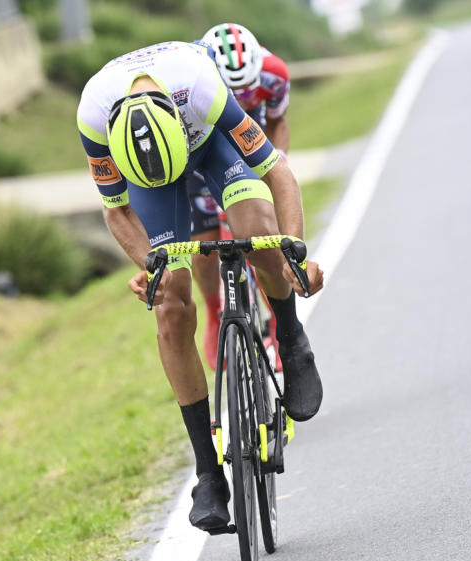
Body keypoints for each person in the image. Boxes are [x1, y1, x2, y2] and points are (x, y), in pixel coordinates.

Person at [76, 40, 324, 531]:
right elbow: (117, 210)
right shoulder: (94, 116)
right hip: (153, 179)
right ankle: (208, 473)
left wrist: (295, 251)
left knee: (259, 234)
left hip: (212, 145)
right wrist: (151, 267)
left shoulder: (202, 88)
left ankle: (292, 339)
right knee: (170, 305)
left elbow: (277, 170)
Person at [189, 23, 293, 372]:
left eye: (248, 87)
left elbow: (278, 121)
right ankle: (213, 311)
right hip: (202, 148)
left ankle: (279, 321)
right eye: (233, 90)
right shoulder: (192, 76)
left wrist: (276, 166)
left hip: (250, 143)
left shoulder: (275, 74)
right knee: (203, 248)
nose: (242, 95)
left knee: (263, 240)